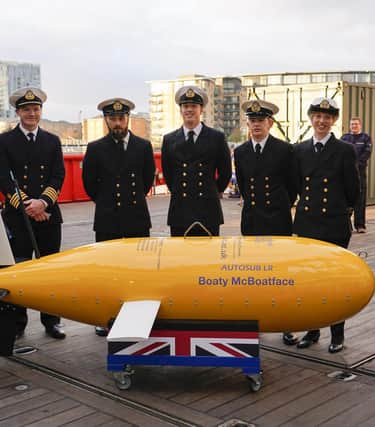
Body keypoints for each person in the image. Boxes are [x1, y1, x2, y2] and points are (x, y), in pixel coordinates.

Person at [286, 97, 359, 353]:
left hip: (334, 223)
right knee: (310, 282)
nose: (321, 121)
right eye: (317, 116)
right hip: (307, 223)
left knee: (336, 282)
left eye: (327, 117)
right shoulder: (300, 150)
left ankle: (337, 335)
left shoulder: (344, 150)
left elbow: (353, 189)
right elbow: (295, 185)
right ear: (310, 118)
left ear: (334, 121)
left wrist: (344, 211)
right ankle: (312, 330)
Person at [0, 87, 66, 340]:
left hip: (48, 216)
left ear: (41, 111)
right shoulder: (4, 141)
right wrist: (29, 208)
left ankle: (52, 321)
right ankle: (17, 323)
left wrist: (43, 204)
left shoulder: (52, 141)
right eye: (26, 109)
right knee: (20, 271)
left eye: (36, 109)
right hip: (19, 217)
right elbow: (4, 179)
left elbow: (58, 176)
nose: (31, 113)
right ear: (18, 112)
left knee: (50, 273)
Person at [82, 98, 156, 335]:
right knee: (107, 271)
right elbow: (89, 185)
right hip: (107, 218)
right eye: (112, 119)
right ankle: (106, 316)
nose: (117, 123)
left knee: (138, 270)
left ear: (128, 119)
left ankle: (138, 317)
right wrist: (107, 202)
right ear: (106, 120)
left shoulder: (143, 146)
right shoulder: (94, 149)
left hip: (136, 216)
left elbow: (146, 180)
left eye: (121, 118)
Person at [161, 85, 232, 236]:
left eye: (194, 106)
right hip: (180, 210)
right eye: (185, 106)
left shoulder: (216, 138)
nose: (189, 110)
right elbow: (168, 175)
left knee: (209, 257)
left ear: (202, 109)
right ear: (180, 110)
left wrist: (212, 191)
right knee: (181, 258)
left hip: (208, 210)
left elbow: (225, 172)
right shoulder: (169, 140)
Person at [234, 100, 296, 237]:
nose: (256, 124)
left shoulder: (285, 150)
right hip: (252, 219)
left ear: (270, 123)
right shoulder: (240, 152)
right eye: (253, 120)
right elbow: (243, 185)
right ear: (247, 124)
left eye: (261, 120)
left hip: (277, 219)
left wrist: (282, 206)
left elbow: (292, 186)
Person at [341, 117, 372, 233]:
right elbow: (340, 153)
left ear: (360, 125)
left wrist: (356, 165)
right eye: (352, 124)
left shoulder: (365, 138)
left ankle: (360, 225)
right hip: (346, 172)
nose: (354, 126)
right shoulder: (344, 138)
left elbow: (367, 153)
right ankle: (345, 224)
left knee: (360, 198)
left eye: (356, 124)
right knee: (345, 197)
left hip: (360, 171)